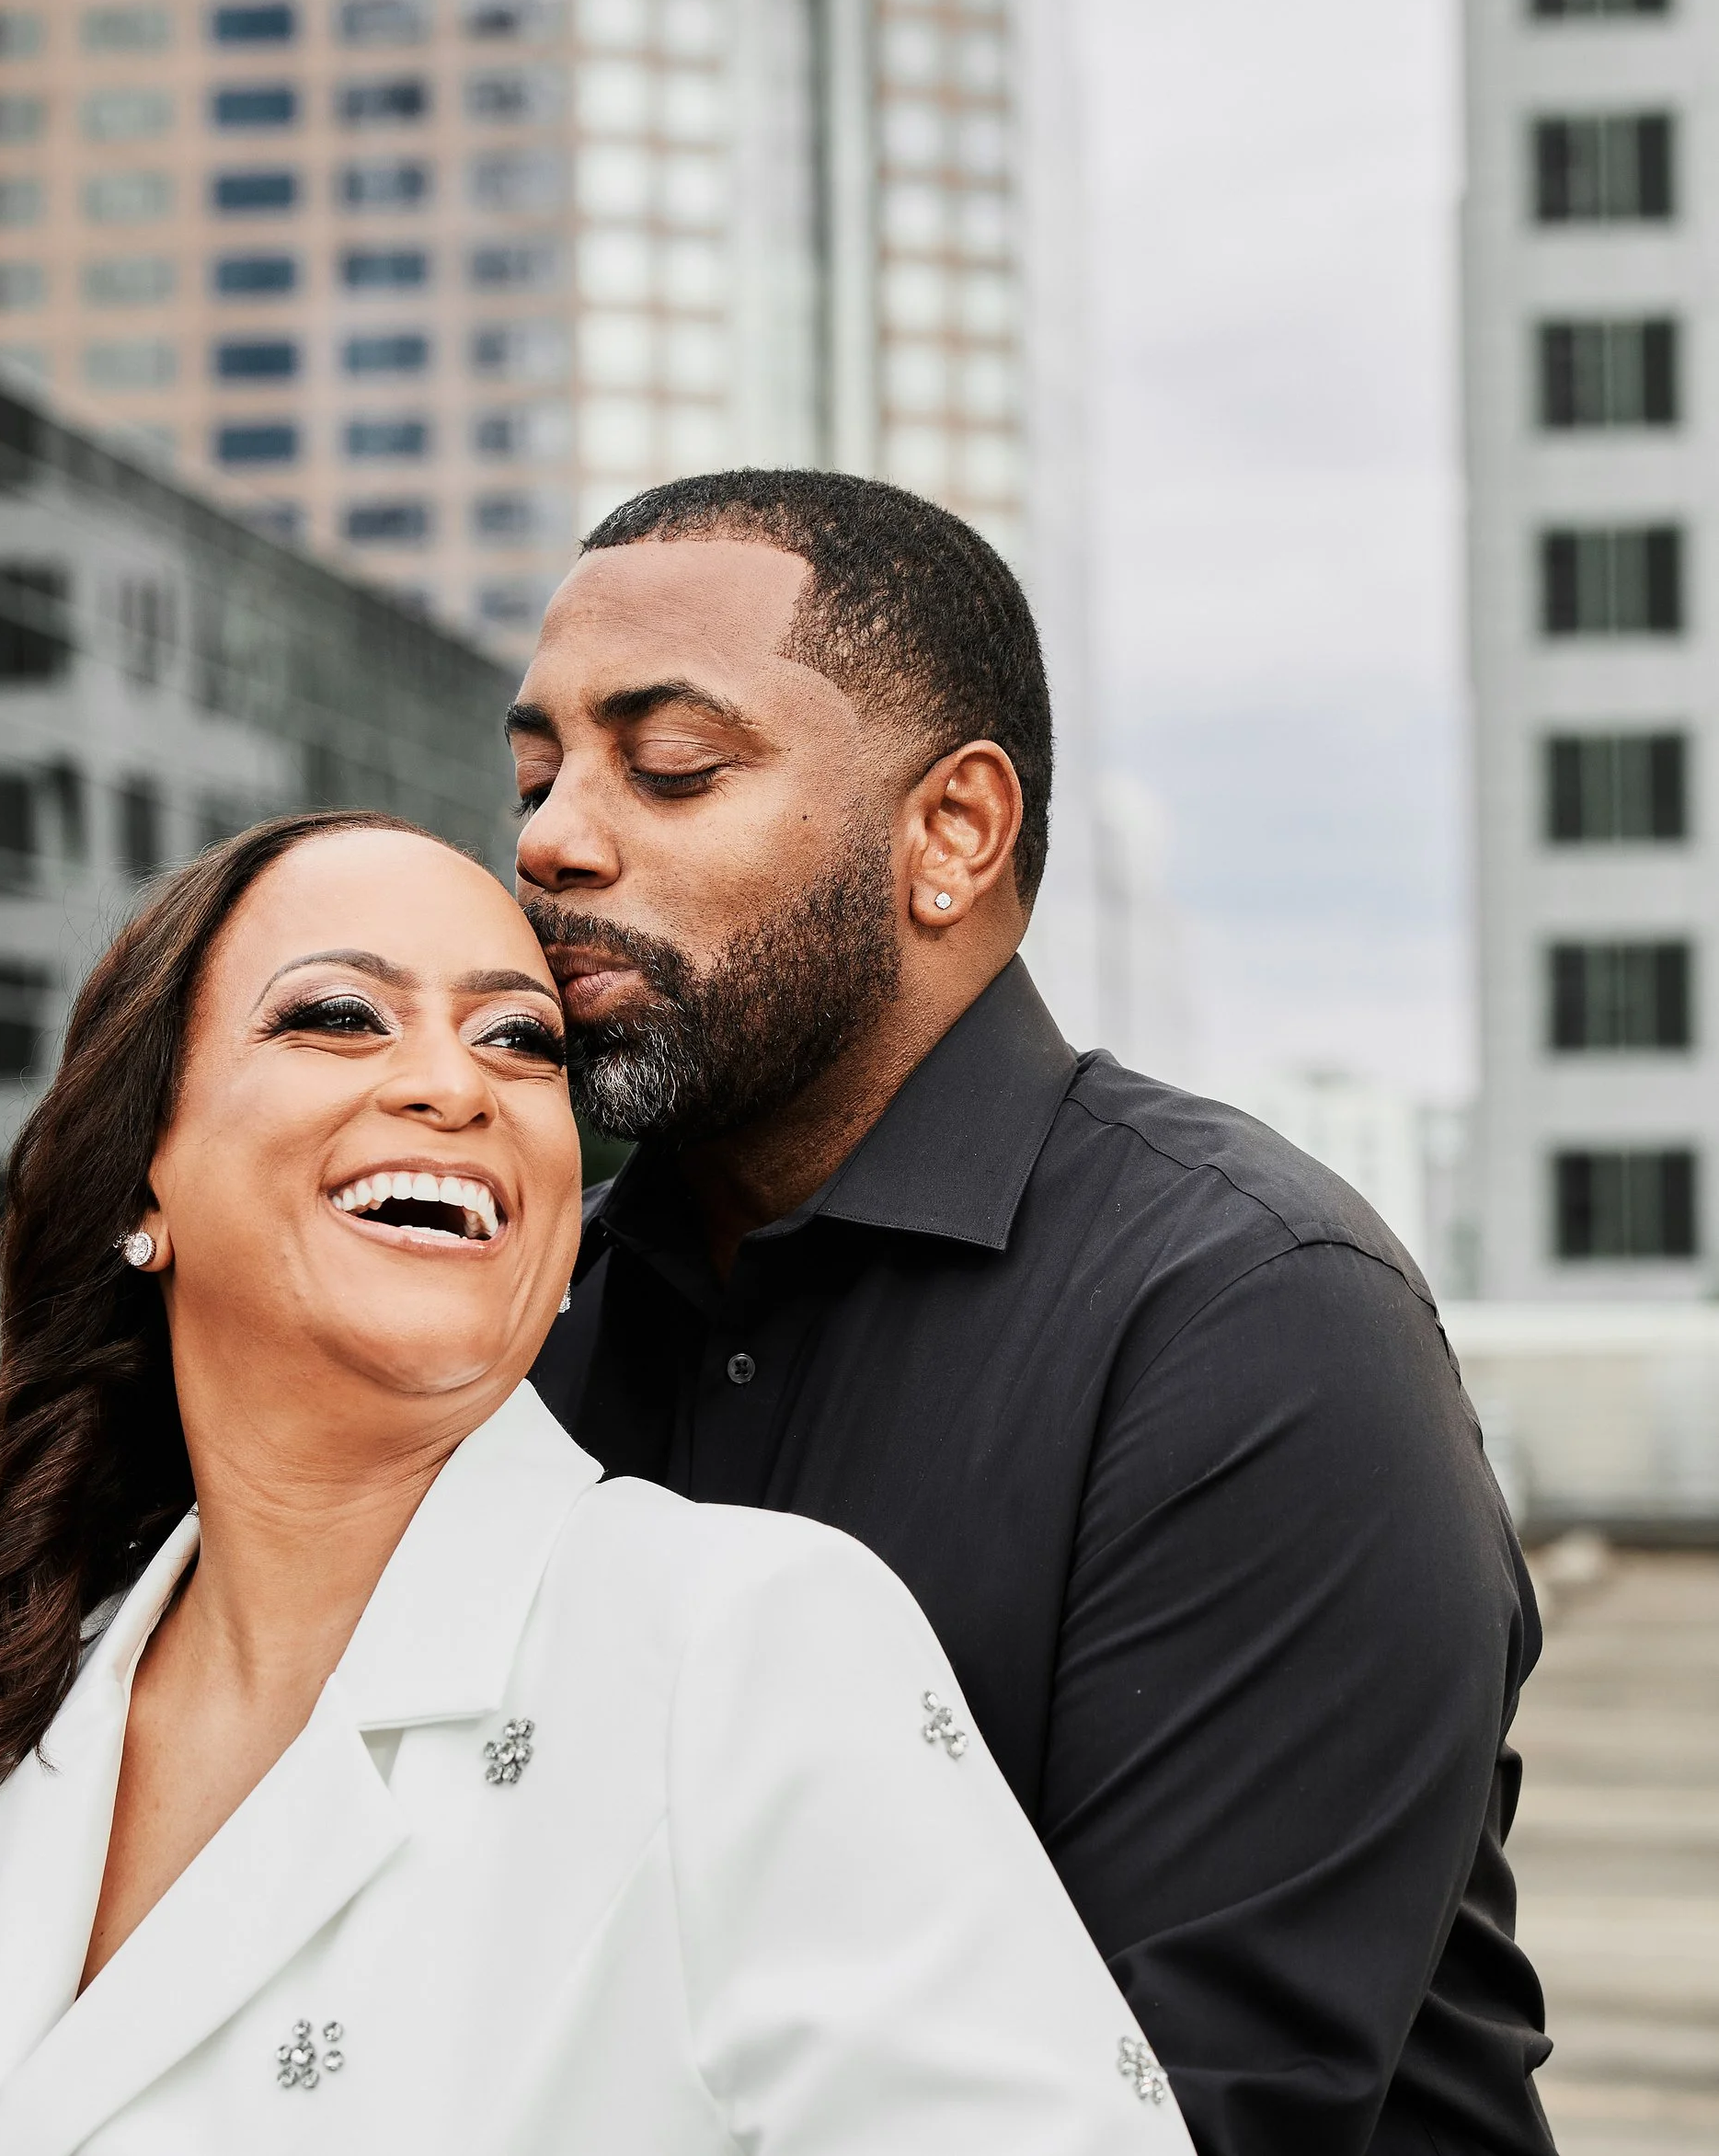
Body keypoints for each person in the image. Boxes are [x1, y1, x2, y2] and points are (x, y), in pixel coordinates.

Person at [0, 809, 1195, 2156]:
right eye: (339, 1014)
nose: (455, 1085)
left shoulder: (739, 1646)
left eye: (522, 1041)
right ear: (143, 1181)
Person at [510, 471, 1554, 2156]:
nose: (552, 836)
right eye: (537, 769)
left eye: (670, 764)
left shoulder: (1262, 1321)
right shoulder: (530, 1323)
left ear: (953, 835)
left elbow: (1195, 2111)